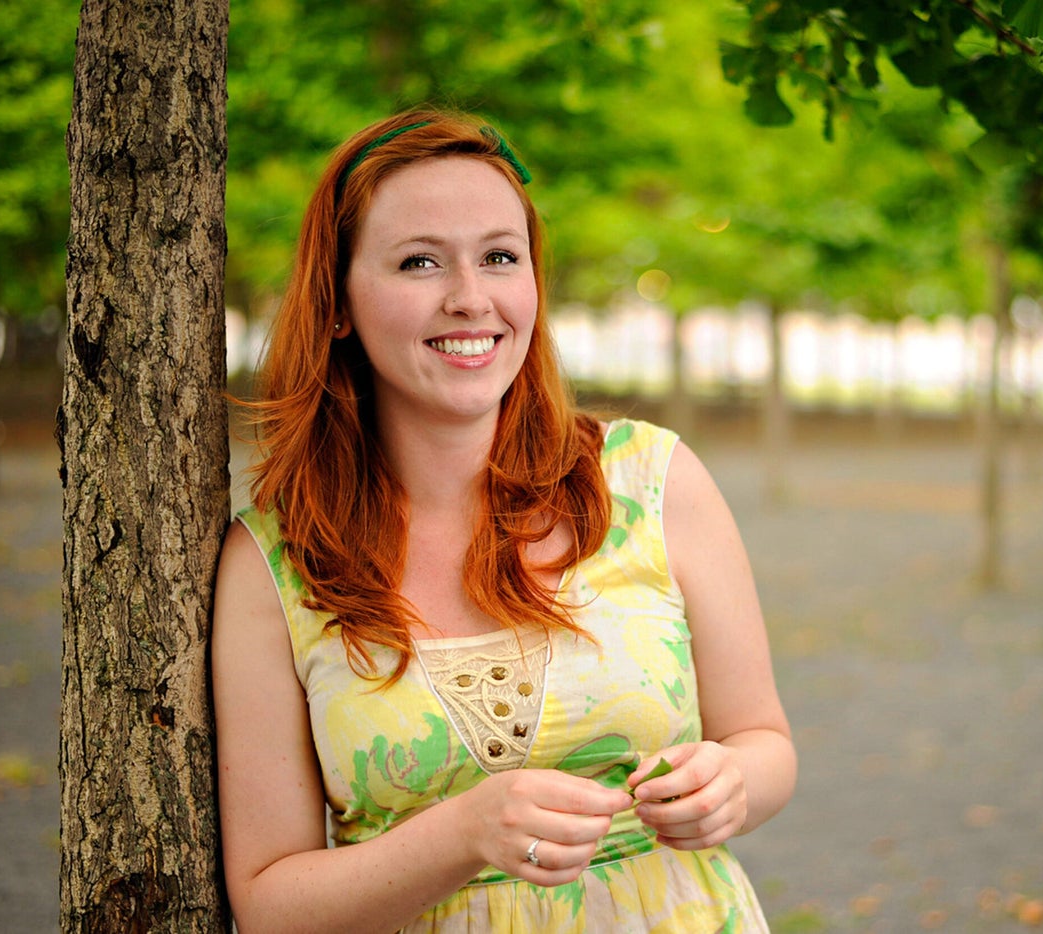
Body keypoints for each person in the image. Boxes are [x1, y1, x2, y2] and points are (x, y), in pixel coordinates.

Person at [211, 109, 797, 933]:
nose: (470, 299)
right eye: (419, 262)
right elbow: (269, 904)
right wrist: (461, 833)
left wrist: (730, 784)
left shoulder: (653, 479)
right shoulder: (273, 561)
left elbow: (764, 740)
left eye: (499, 257)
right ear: (337, 301)